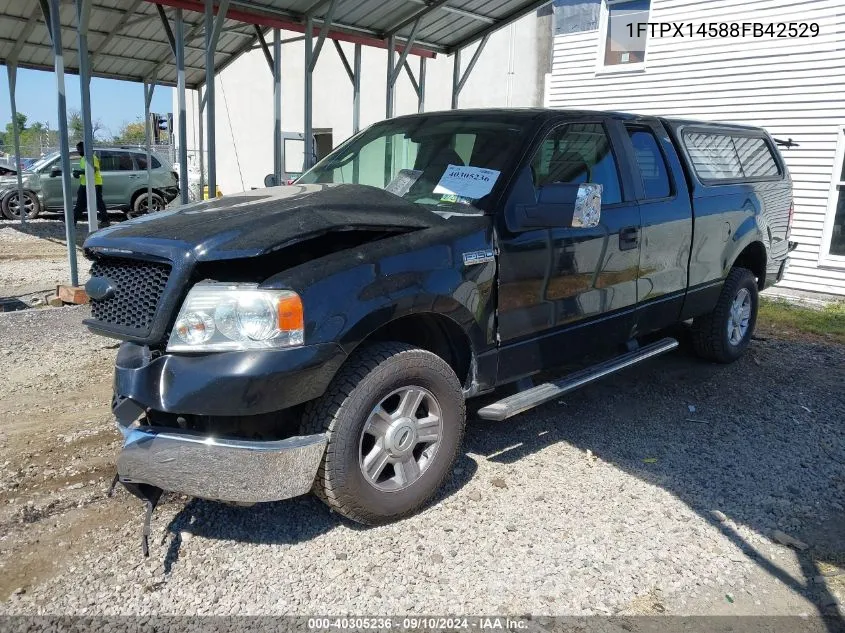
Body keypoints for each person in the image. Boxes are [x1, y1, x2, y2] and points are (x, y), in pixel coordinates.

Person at [72, 141, 109, 227]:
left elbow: (94, 169)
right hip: (84, 184)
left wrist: (80, 172)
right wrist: (78, 174)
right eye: (77, 150)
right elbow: (85, 172)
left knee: (98, 203)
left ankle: (105, 220)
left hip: (95, 184)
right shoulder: (83, 158)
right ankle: (73, 220)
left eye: (79, 149)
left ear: (84, 149)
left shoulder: (92, 157)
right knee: (80, 203)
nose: (78, 151)